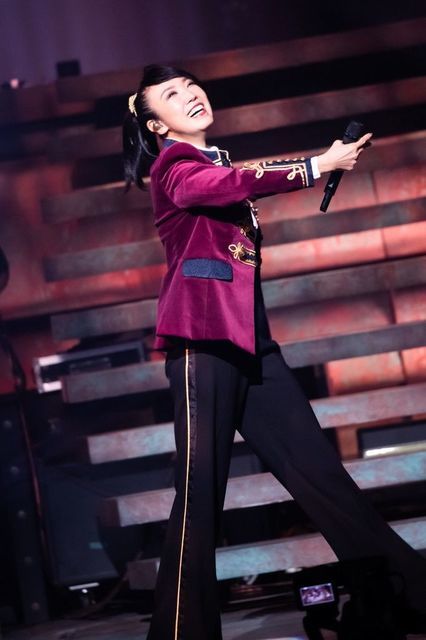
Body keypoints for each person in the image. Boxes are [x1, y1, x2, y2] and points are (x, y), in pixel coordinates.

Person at [122, 65, 426, 639]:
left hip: (252, 346)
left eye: (191, 86)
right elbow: (223, 186)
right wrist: (316, 166)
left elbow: (234, 180)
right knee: (200, 492)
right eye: (171, 95)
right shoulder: (174, 166)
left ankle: (409, 592)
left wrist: (317, 163)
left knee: (322, 475)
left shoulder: (215, 162)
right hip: (202, 341)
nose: (190, 96)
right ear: (155, 124)